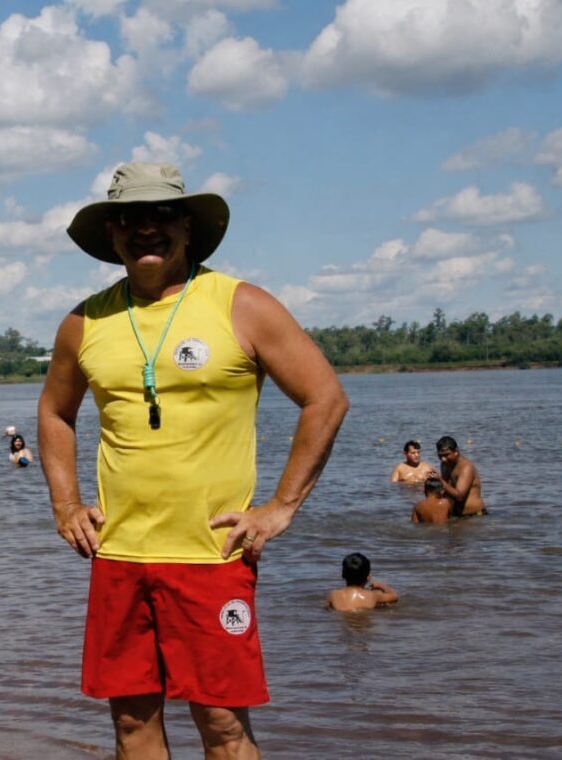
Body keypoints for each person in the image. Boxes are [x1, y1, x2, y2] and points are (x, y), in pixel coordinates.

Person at [38, 162, 349, 758]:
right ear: (112, 234)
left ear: (186, 225)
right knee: (132, 725)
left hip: (211, 555)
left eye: (160, 215)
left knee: (223, 727)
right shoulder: (85, 322)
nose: (145, 229)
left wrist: (282, 507)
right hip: (119, 554)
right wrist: (66, 505)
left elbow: (325, 398)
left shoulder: (243, 305)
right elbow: (54, 413)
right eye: (130, 218)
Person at [325, 553, 399, 611]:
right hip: (364, 627)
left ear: (342, 574)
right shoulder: (373, 596)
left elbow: (327, 608)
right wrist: (381, 586)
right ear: (368, 577)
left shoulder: (333, 595)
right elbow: (395, 597)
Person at [435, 435, 487, 517]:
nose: (443, 459)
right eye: (440, 455)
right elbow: (446, 490)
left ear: (456, 452)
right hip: (456, 515)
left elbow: (460, 496)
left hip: (474, 516)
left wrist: (440, 481)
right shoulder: (445, 464)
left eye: (446, 455)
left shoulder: (466, 467)